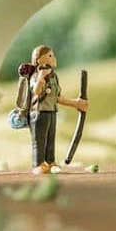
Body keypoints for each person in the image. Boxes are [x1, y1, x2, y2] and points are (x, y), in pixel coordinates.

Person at [28, 44, 88, 174]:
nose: (53, 58)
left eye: (53, 55)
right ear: (39, 60)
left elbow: (58, 98)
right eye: (50, 55)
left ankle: (50, 162)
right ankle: (38, 164)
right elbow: (37, 92)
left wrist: (76, 103)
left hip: (51, 112)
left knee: (51, 139)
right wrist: (40, 77)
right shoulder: (35, 76)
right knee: (40, 141)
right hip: (39, 113)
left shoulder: (54, 77)